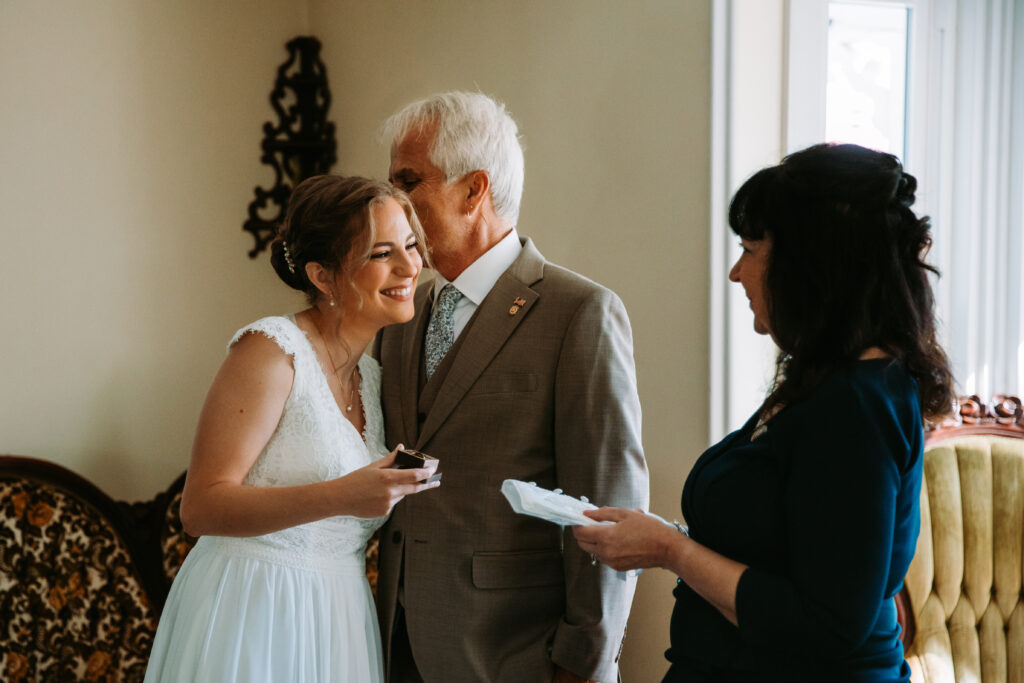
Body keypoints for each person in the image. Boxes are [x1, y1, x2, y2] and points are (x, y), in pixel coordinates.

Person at [573, 143, 955, 682]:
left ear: (808, 264)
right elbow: (781, 547)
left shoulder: (855, 406)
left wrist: (669, 549)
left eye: (750, 249)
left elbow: (828, 623)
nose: (736, 272)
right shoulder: (825, 379)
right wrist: (666, 540)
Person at [373, 91, 649, 683]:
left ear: (474, 191)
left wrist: (584, 663)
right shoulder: (398, 318)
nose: (393, 204)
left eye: (408, 182)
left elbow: (608, 505)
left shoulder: (579, 313)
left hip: (518, 656)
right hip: (394, 643)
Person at [144, 175, 440, 683]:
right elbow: (199, 508)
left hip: (339, 618)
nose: (410, 266)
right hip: (253, 609)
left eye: (410, 245)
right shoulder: (272, 351)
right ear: (323, 276)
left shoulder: (373, 377)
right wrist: (344, 495)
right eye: (381, 253)